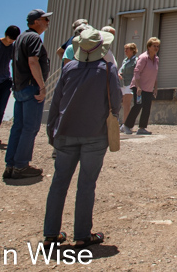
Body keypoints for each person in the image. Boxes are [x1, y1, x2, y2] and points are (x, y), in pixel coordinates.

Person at [42, 26, 121, 250]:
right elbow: (115, 103)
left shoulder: (68, 69)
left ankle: (50, 234)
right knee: (86, 184)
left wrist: (52, 132)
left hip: (65, 132)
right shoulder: (108, 70)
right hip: (95, 134)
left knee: (59, 183)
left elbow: (56, 102)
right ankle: (82, 235)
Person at [4, 9, 53, 180]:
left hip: (20, 88)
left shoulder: (20, 38)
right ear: (37, 21)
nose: (48, 22)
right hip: (31, 88)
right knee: (30, 128)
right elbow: (33, 61)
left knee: (18, 127)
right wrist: (41, 86)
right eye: (45, 19)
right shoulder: (33, 38)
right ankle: (21, 166)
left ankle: (10, 165)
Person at [122, 37, 159, 135]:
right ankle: (127, 126)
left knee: (147, 107)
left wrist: (155, 87)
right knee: (138, 105)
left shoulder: (156, 59)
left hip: (148, 88)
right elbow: (137, 72)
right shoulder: (143, 58)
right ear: (149, 47)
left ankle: (142, 128)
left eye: (157, 46)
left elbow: (155, 74)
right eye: (154, 46)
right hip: (139, 87)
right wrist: (138, 87)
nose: (156, 48)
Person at [118, 43, 138, 123]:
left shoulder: (135, 61)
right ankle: (124, 122)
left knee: (127, 104)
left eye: (127, 49)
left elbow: (137, 73)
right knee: (124, 104)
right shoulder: (125, 60)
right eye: (125, 49)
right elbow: (122, 70)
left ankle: (126, 123)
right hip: (123, 83)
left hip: (130, 84)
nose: (125, 51)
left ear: (133, 50)